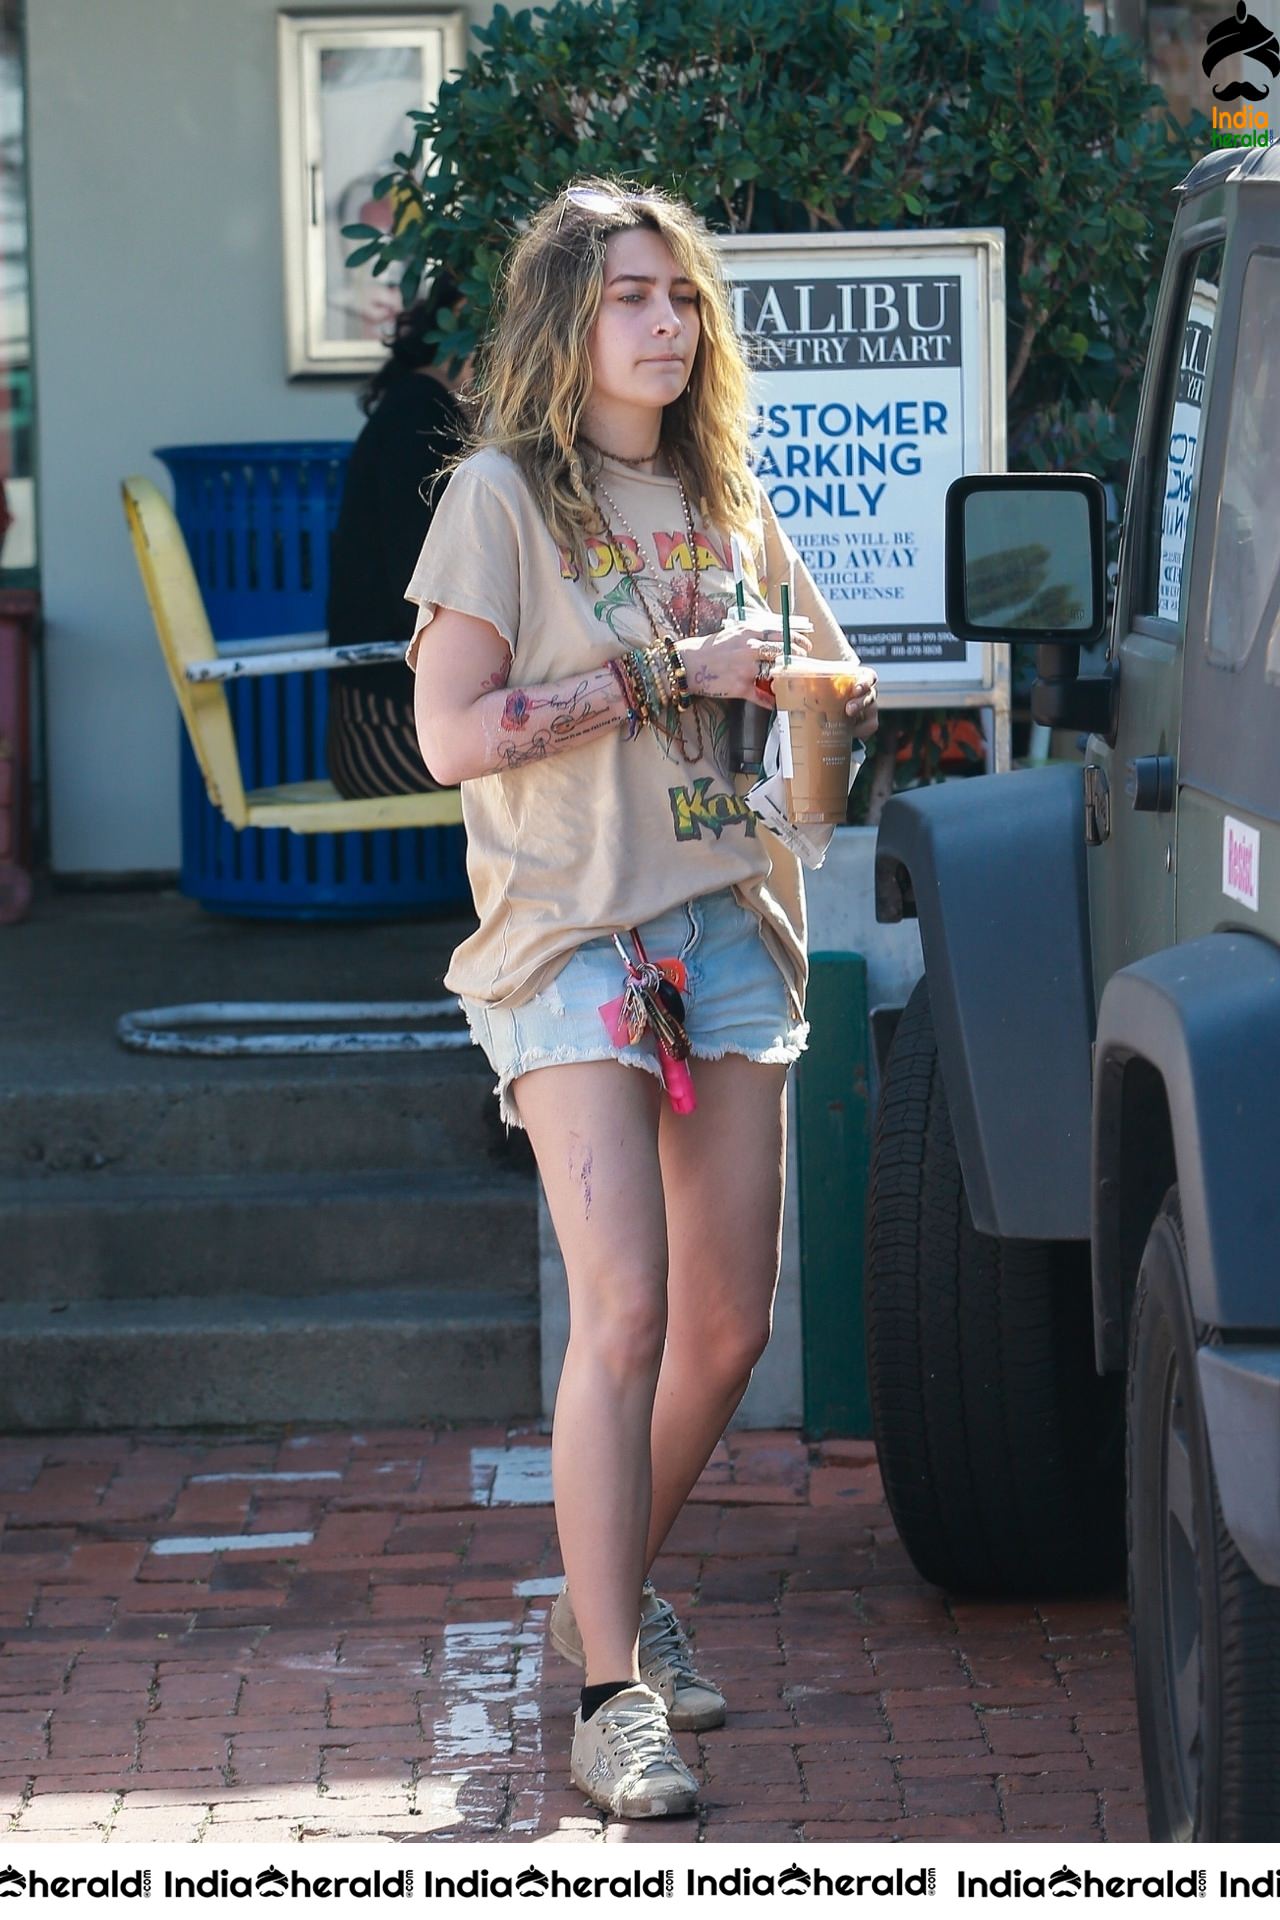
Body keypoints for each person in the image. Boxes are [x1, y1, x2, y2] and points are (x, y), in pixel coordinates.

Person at [403, 179, 879, 1820]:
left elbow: (816, 664)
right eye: (629, 297)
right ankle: (614, 1691)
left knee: (731, 1325)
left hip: (725, 926)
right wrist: (669, 675)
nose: (666, 324)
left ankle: (595, 1597)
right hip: (571, 939)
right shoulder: (499, 501)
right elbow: (456, 736)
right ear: (568, 317)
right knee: (626, 1312)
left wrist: (827, 694)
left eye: (682, 296)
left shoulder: (722, 490)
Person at [324, 274, 471, 798]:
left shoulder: (421, 406)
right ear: (464, 312)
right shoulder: (420, 418)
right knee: (573, 746)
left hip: (414, 717)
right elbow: (424, 586)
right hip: (387, 736)